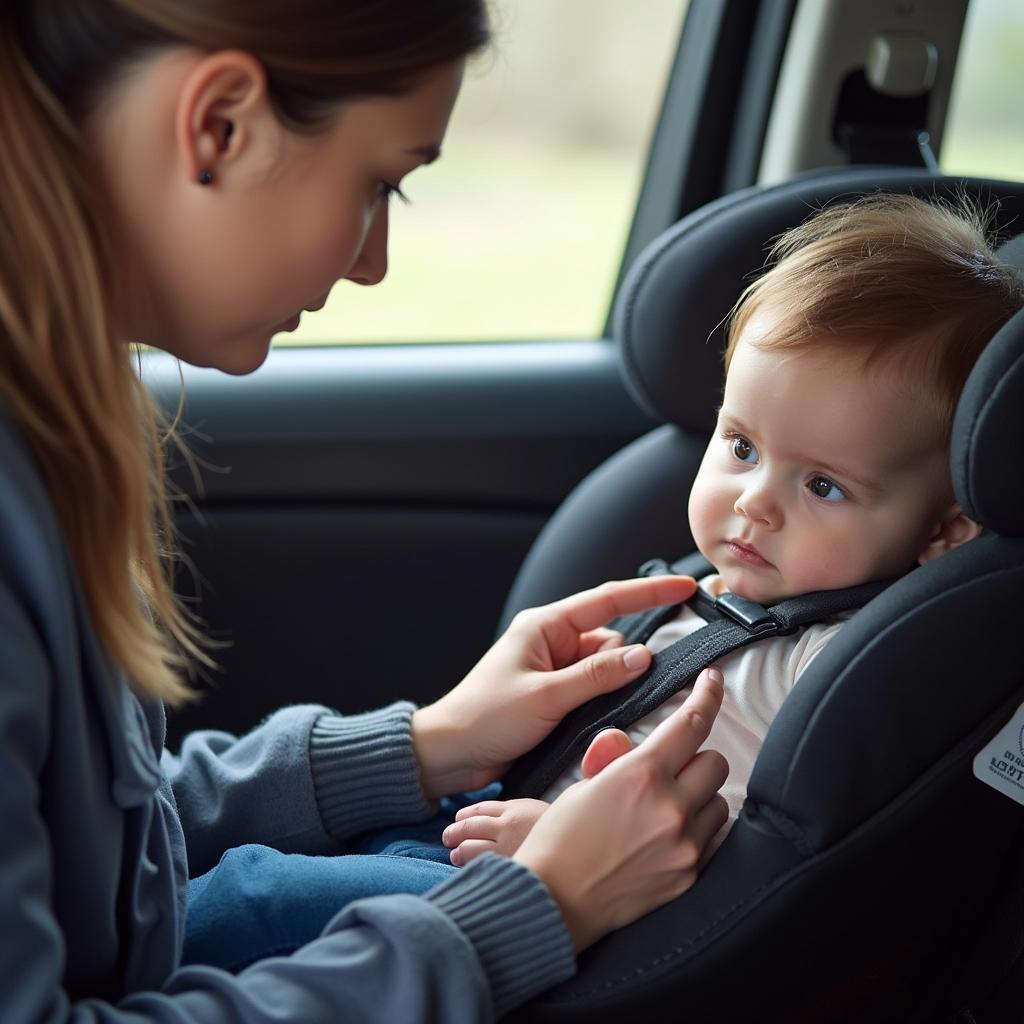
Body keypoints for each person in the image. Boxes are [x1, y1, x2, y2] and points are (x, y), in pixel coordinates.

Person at [0, 3, 733, 1022]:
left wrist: (425, 745)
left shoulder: (49, 421)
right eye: (379, 182)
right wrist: (540, 907)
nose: (372, 259)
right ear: (219, 124)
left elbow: (96, 835)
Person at [180, 192, 1024, 969]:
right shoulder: (716, 588)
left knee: (256, 897)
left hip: (568, 899)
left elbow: (759, 850)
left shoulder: (842, 662)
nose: (754, 505)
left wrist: (552, 840)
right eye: (741, 446)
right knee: (281, 862)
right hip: (487, 826)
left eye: (824, 486)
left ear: (945, 531)